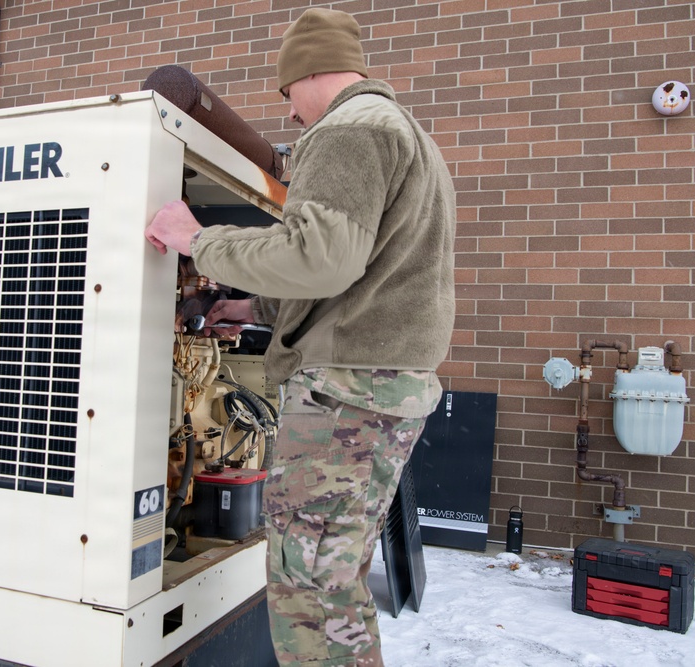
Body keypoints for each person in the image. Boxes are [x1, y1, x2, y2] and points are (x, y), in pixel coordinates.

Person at [145, 7, 456, 666]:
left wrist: (197, 239)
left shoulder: (348, 128)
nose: (288, 113)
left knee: (308, 586)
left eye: (287, 91)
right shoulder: (405, 133)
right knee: (333, 579)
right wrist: (253, 305)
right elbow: (361, 275)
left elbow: (320, 258)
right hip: (381, 389)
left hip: (345, 394)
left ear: (312, 70)